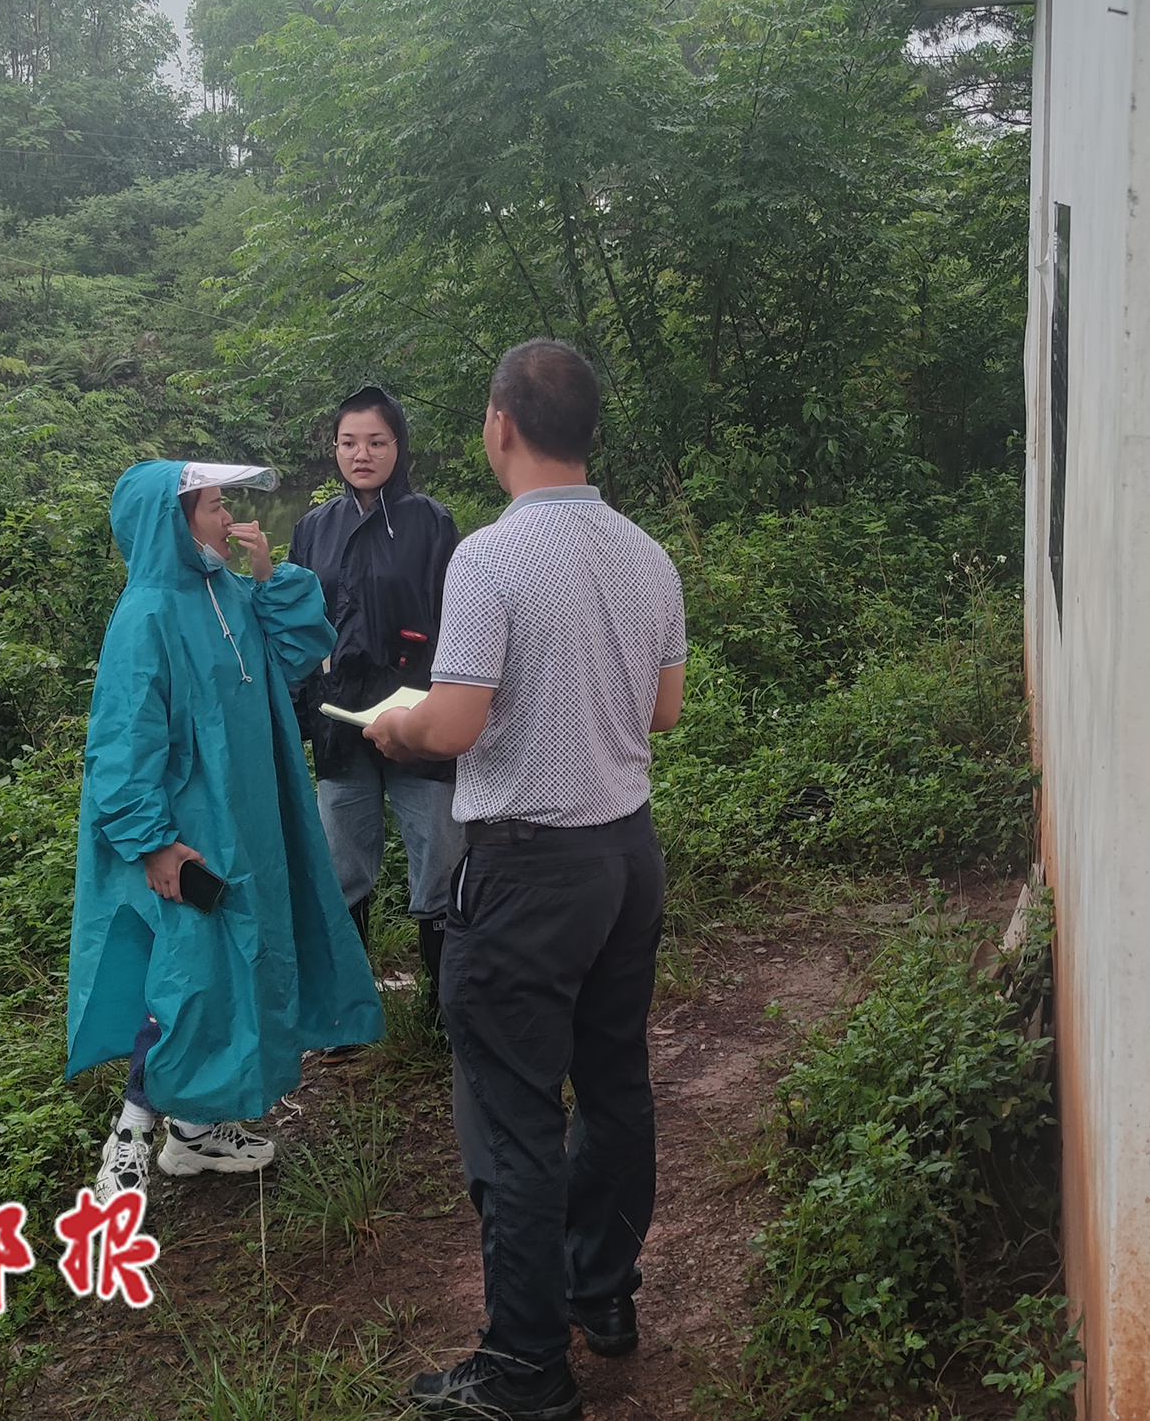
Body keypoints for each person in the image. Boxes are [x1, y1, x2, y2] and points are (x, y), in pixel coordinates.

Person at [368, 341, 686, 1421]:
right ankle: (604, 1296)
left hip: (526, 871)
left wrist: (393, 724)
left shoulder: (489, 561)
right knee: (612, 1083)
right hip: (624, 857)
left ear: (500, 425)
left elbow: (453, 723)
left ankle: (524, 1369)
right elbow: (663, 710)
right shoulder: (647, 555)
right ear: (587, 431)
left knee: (511, 1118)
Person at [65, 460, 382, 1204]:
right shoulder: (145, 617)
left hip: (252, 821)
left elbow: (299, 652)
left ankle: (196, 1133)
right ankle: (129, 1140)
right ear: (169, 524)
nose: (225, 517)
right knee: (185, 982)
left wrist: (269, 573)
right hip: (190, 837)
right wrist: (153, 842)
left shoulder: (226, 593)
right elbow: (122, 743)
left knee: (238, 970)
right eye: (210, 506)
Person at [289, 386, 465, 1002]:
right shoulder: (315, 528)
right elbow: (296, 624)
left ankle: (445, 1010)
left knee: (439, 857)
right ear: (334, 449)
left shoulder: (430, 522)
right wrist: (295, 709)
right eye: (348, 442)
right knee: (342, 864)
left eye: (376, 441)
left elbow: (457, 620)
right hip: (339, 720)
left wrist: (447, 702)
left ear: (399, 446)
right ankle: (346, 1011)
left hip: (418, 716)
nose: (361, 454)